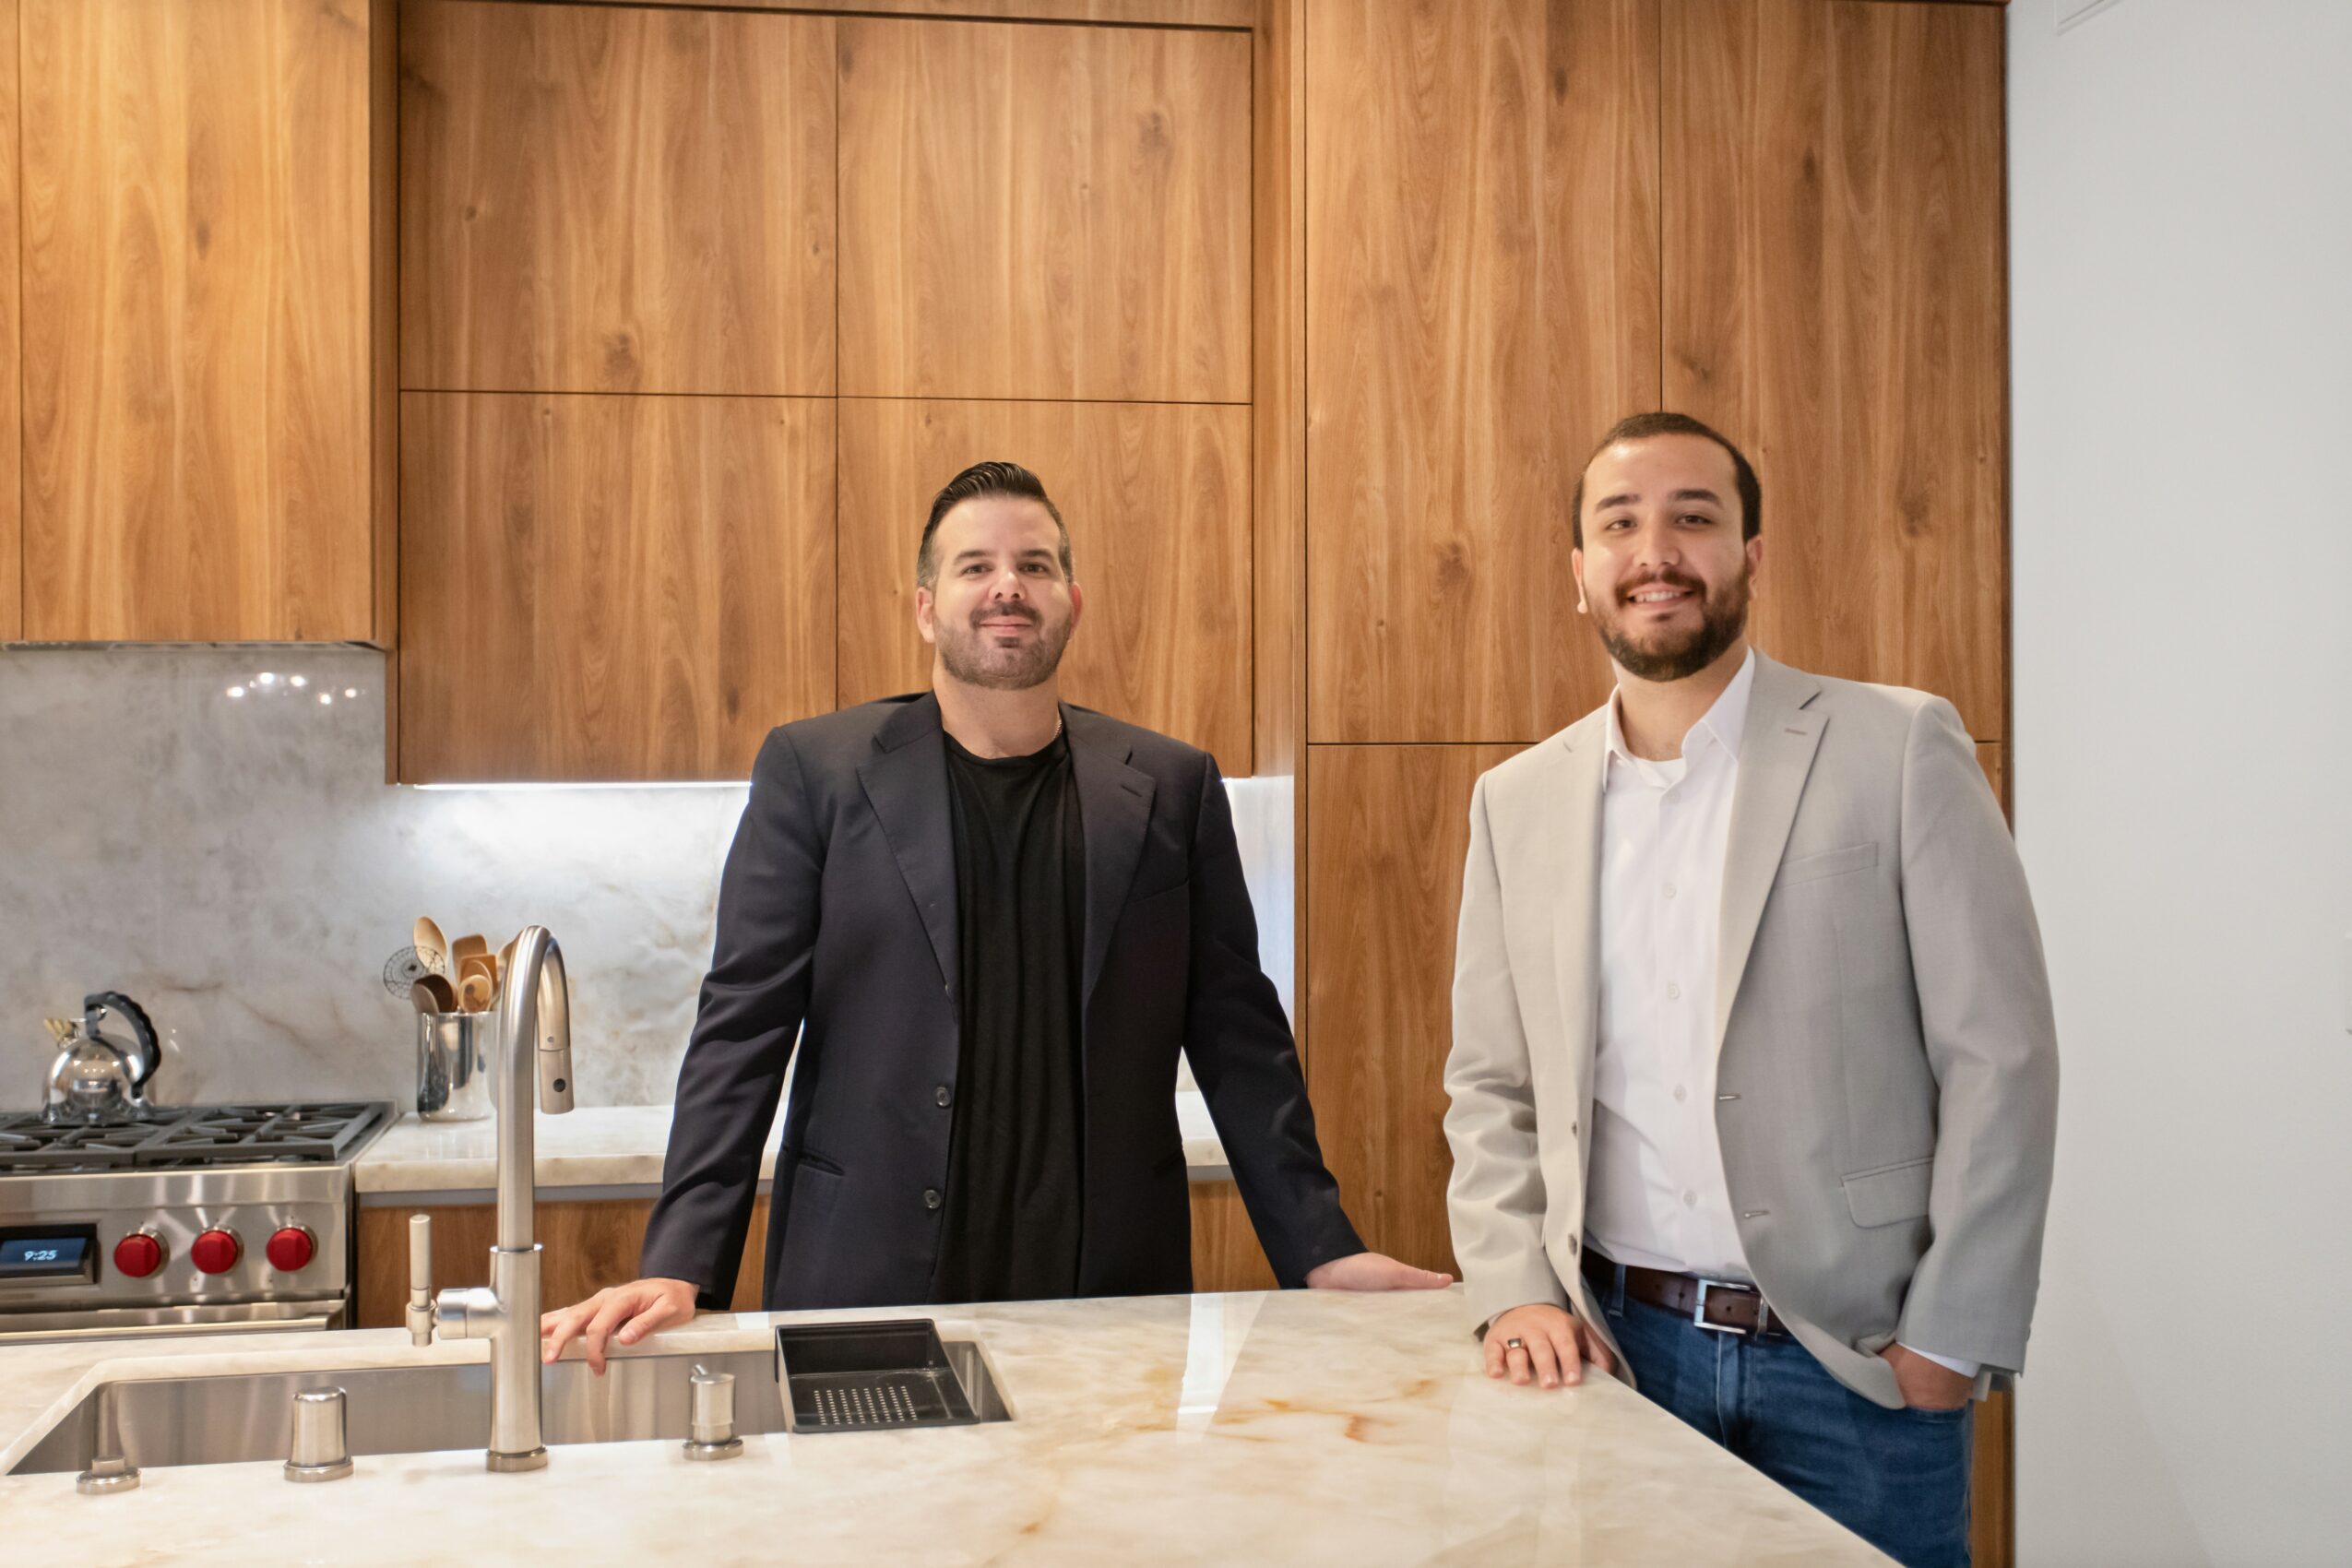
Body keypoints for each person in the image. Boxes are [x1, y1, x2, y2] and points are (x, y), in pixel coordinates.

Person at [545, 461, 1446, 1370]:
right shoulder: (815, 773)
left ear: (1072, 602)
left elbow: (1240, 1041)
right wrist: (683, 1265)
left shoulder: (1171, 786)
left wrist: (1321, 1246)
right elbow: (742, 1027)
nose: (1008, 584)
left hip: (1109, 1304)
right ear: (927, 606)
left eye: (1037, 564)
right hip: (866, 1283)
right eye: (975, 565)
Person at [1443, 412, 2058, 1568]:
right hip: (1613, 1358)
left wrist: (1950, 1333)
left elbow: (2002, 1061)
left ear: (1751, 555)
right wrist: (1515, 1285)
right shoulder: (1515, 801)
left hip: (1856, 1370)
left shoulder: (1899, 745)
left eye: (1694, 517)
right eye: (1619, 524)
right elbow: (1491, 1083)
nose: (1656, 550)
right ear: (1580, 573)